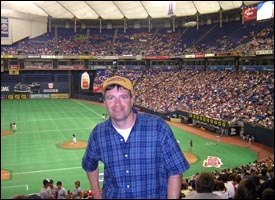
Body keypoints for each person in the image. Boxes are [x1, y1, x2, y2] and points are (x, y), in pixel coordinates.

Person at [82, 75, 190, 199]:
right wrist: (97, 194)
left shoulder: (158, 127)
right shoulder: (98, 133)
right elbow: (89, 165)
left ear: (132, 99)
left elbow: (175, 171)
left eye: (123, 97)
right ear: (105, 102)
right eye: (111, 98)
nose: (117, 104)